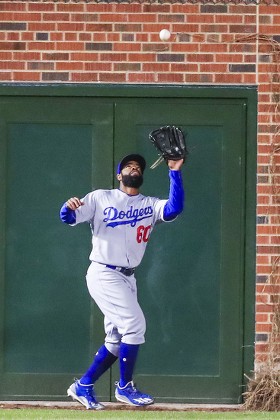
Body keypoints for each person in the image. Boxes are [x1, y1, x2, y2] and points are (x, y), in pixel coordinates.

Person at [60, 153, 184, 410]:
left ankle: (83, 385)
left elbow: (174, 208)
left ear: (141, 176)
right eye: (128, 166)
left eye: (137, 166)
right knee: (134, 326)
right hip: (104, 272)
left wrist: (174, 171)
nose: (133, 168)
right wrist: (67, 207)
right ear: (119, 175)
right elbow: (70, 218)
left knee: (116, 340)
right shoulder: (100, 197)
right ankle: (125, 388)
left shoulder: (149, 204)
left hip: (128, 277)